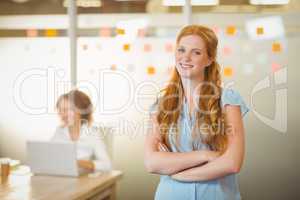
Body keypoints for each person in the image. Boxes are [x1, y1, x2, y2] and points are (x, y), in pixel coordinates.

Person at [144, 25, 249, 200]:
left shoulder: (228, 100)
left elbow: (232, 163)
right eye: (181, 50)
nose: (185, 57)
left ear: (209, 59)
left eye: (196, 52)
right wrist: (206, 156)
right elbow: (151, 162)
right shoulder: (161, 105)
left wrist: (177, 171)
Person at [52, 89, 112, 172]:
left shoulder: (92, 134)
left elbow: (107, 165)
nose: (62, 115)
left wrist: (81, 163)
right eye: (60, 110)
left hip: (83, 180)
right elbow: (49, 157)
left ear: (80, 111)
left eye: (66, 110)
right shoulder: (59, 131)